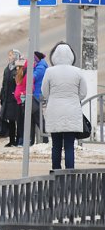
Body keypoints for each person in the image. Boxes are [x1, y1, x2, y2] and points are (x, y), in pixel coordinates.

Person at [42, 42, 87, 170]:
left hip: (54, 111)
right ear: (71, 56)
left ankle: (56, 171)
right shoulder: (77, 71)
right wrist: (73, 99)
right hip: (72, 112)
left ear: (55, 56)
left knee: (56, 145)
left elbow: (45, 91)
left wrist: (54, 98)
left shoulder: (49, 71)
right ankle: (70, 172)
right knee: (69, 145)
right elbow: (83, 92)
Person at [0, 49, 22, 147]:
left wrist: (18, 94)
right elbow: (4, 84)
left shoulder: (19, 68)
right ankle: (12, 140)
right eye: (9, 55)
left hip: (16, 99)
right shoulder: (7, 68)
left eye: (11, 55)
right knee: (10, 120)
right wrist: (2, 97)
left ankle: (19, 139)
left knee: (18, 120)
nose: (9, 57)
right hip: (8, 99)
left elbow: (21, 83)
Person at [13, 59, 29, 147]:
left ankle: (23, 139)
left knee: (22, 122)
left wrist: (23, 95)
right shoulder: (19, 74)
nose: (17, 69)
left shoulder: (25, 74)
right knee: (19, 121)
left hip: (22, 100)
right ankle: (20, 138)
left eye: (18, 67)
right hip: (19, 101)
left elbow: (28, 86)